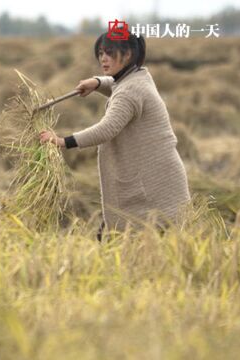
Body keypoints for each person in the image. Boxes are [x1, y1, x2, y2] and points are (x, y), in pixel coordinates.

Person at [39, 31, 190, 240]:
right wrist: (98, 82)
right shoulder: (138, 77)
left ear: (127, 55)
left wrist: (62, 141)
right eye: (100, 53)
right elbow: (118, 85)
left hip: (153, 185)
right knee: (124, 240)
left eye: (109, 53)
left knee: (137, 242)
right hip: (157, 175)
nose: (103, 58)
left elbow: (107, 128)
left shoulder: (131, 91)